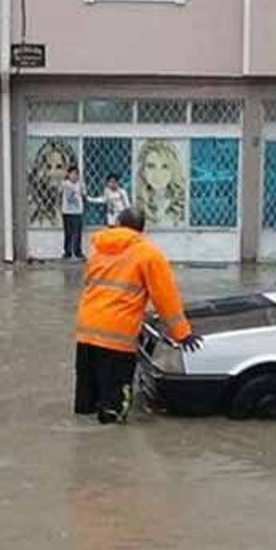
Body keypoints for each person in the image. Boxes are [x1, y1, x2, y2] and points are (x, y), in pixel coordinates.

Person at [74, 208, 203, 424]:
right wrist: (182, 334)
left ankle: (83, 450)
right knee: (113, 410)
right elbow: (165, 298)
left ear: (117, 223)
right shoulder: (148, 254)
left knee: (86, 403)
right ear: (142, 230)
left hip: (86, 331)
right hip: (117, 337)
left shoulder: (97, 248)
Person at [136, 140, 187, 228]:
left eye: (165, 167)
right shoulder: (138, 201)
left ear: (173, 170)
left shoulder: (181, 202)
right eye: (151, 166)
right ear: (143, 170)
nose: (157, 174)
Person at [61, 167, 87, 260]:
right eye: (72, 173)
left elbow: (84, 195)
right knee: (68, 232)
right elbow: (67, 196)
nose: (74, 176)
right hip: (67, 212)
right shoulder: (65, 184)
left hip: (78, 212)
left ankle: (77, 251)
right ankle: (67, 252)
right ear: (68, 174)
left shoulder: (80, 184)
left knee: (77, 232)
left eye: (76, 174)